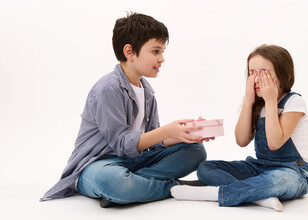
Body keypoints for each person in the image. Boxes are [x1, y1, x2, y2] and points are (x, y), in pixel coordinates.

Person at [40, 13, 208, 207]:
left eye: (162, 52)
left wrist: (182, 134)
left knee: (195, 151)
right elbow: (121, 144)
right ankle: (171, 188)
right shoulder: (107, 88)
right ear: (129, 51)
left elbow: (153, 142)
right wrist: (165, 131)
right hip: (98, 165)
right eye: (155, 51)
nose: (162, 59)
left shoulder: (148, 92)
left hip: (134, 161)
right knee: (112, 180)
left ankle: (130, 187)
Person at [171, 44, 308, 211]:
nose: (258, 79)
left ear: (286, 76)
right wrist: (249, 101)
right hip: (260, 167)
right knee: (205, 168)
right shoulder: (257, 105)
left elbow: (274, 143)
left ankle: (214, 194)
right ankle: (259, 196)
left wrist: (271, 100)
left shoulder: (294, 102)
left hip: (292, 172)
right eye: (253, 73)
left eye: (264, 73)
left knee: (279, 181)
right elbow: (241, 140)